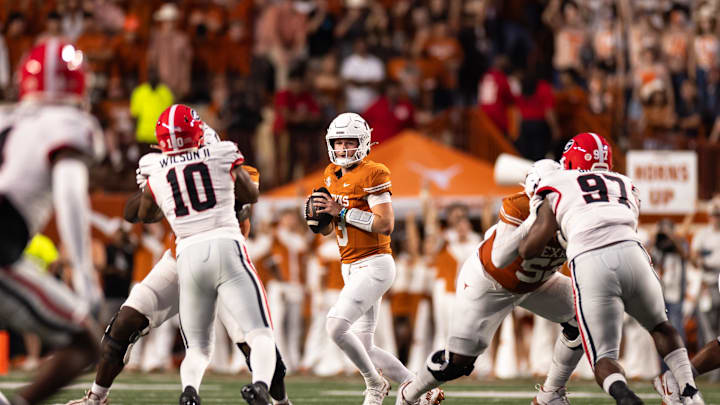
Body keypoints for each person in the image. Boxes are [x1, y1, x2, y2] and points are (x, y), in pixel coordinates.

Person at [65, 123, 293, 405]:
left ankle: (282, 402)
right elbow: (132, 213)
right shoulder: (171, 170)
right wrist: (149, 187)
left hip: (227, 258)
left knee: (257, 343)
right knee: (124, 322)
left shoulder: (232, 166)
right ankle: (96, 398)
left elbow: (243, 200)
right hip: (179, 258)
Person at [518, 132, 704, 405]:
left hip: (590, 260)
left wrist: (537, 207)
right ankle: (689, 391)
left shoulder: (557, 181)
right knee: (661, 326)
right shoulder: (625, 183)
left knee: (604, 357)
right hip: (633, 253)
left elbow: (530, 248)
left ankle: (624, 396)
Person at [396, 159, 584, 405]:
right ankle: (409, 394)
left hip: (536, 283)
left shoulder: (577, 211)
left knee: (582, 317)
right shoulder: (519, 205)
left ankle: (552, 393)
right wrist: (534, 220)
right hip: (489, 283)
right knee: (457, 364)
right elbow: (500, 256)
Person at [135, 104, 275, 405]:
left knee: (197, 348)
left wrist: (152, 190)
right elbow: (251, 196)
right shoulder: (223, 151)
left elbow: (145, 214)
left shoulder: (156, 167)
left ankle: (190, 391)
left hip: (186, 253)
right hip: (225, 244)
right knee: (261, 333)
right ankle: (260, 386)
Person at [307, 112, 443, 405]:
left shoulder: (375, 172)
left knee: (335, 327)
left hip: (375, 262)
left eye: (349, 142)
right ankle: (416, 387)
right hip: (350, 265)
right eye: (338, 142)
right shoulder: (331, 173)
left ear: (364, 142)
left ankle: (374, 384)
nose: (343, 149)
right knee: (365, 346)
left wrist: (339, 211)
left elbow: (385, 224)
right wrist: (320, 220)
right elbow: (332, 227)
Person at [0, 39, 104, 405]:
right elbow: (71, 193)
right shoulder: (69, 123)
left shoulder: (5, 118)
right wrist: (86, 278)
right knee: (86, 340)